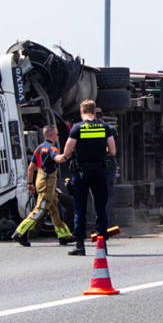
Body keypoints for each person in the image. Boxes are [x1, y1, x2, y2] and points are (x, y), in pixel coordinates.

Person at [56, 100, 116, 256]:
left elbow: (67, 151)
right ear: (95, 112)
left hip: (81, 173)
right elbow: (113, 151)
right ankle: (102, 245)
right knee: (100, 209)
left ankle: (80, 245)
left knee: (80, 209)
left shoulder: (77, 128)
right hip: (100, 171)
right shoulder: (104, 128)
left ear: (81, 112)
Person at [12, 125, 71, 246]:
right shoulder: (51, 148)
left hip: (40, 180)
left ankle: (64, 235)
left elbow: (30, 168)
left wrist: (30, 183)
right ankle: (19, 233)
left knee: (55, 208)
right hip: (47, 183)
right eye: (57, 134)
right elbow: (58, 159)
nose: (58, 136)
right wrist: (68, 154)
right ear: (52, 135)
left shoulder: (38, 148)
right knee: (40, 209)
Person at [95, 109, 118, 229]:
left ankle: (105, 223)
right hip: (102, 164)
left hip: (108, 165)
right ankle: (111, 224)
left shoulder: (109, 129)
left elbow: (112, 151)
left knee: (107, 194)